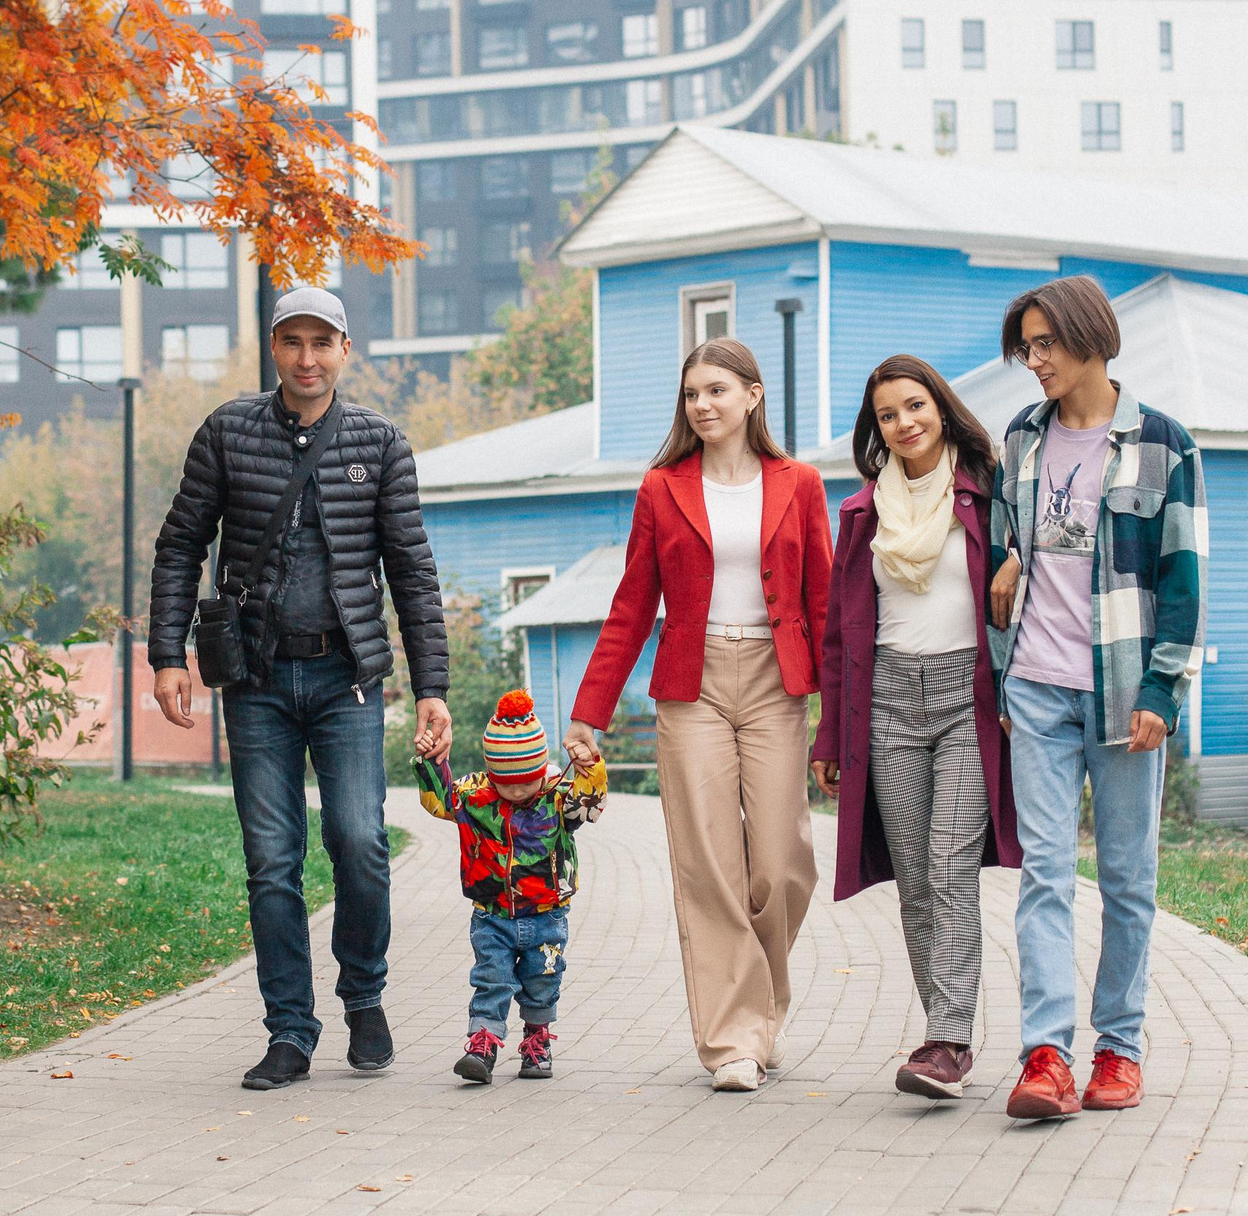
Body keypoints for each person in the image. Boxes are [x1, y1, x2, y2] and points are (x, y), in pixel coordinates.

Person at [148, 285, 452, 1091]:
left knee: (359, 843)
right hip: (255, 679)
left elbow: (412, 571)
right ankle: (289, 1029)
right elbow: (180, 544)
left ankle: (365, 998)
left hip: (346, 677)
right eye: (293, 342)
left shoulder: (380, 443)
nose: (308, 358)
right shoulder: (226, 432)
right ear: (273, 349)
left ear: (345, 349)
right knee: (271, 859)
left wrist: (433, 685)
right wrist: (167, 656)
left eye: (323, 342)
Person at [562, 338, 831, 1092]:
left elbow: (821, 604)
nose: (703, 405)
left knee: (780, 866)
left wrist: (836, 719)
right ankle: (733, 1041)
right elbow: (631, 605)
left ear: (753, 395)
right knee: (709, 866)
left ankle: (762, 1005)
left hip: (779, 685)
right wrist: (591, 710)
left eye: (717, 390)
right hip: (694, 686)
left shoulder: (799, 483)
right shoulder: (662, 488)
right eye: (691, 394)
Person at [986, 276, 1206, 1122]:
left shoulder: (1164, 444)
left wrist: (1162, 688)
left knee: (1126, 877)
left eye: (1045, 345)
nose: (1033, 362)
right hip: (1036, 689)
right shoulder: (1022, 439)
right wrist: (1010, 559)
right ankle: (1046, 1056)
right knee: (1044, 874)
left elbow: (1182, 579)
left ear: (1090, 340)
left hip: (1122, 696)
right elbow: (1019, 542)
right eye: (1026, 348)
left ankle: (1119, 1049)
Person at [810, 355, 1018, 1101]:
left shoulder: (989, 493)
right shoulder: (862, 513)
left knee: (948, 868)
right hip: (888, 702)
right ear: (878, 429)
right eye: (889, 414)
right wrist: (831, 737)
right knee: (914, 886)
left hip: (966, 697)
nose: (905, 423)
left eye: (915, 406)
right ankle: (942, 1038)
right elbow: (839, 635)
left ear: (941, 407)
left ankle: (950, 1039)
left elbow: (1028, 575)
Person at [412, 689, 607, 1084]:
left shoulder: (555, 797)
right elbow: (438, 800)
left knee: (542, 981)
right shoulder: (474, 797)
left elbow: (591, 803)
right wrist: (432, 760)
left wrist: (589, 767)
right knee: (492, 978)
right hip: (492, 916)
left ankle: (537, 1043)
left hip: (547, 915)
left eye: (526, 783)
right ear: (492, 774)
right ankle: (482, 1045)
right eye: (508, 784)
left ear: (541, 770)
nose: (518, 793)